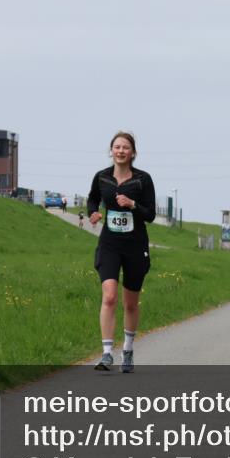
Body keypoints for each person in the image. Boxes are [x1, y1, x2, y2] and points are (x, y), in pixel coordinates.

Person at [87, 131, 156, 373]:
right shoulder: (102, 177)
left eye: (125, 147)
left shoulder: (142, 180)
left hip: (135, 245)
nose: (120, 151)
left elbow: (151, 214)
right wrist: (93, 213)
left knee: (130, 304)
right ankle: (106, 353)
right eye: (117, 147)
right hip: (109, 244)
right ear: (111, 151)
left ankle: (127, 349)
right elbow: (92, 200)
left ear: (133, 153)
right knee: (109, 297)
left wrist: (133, 204)